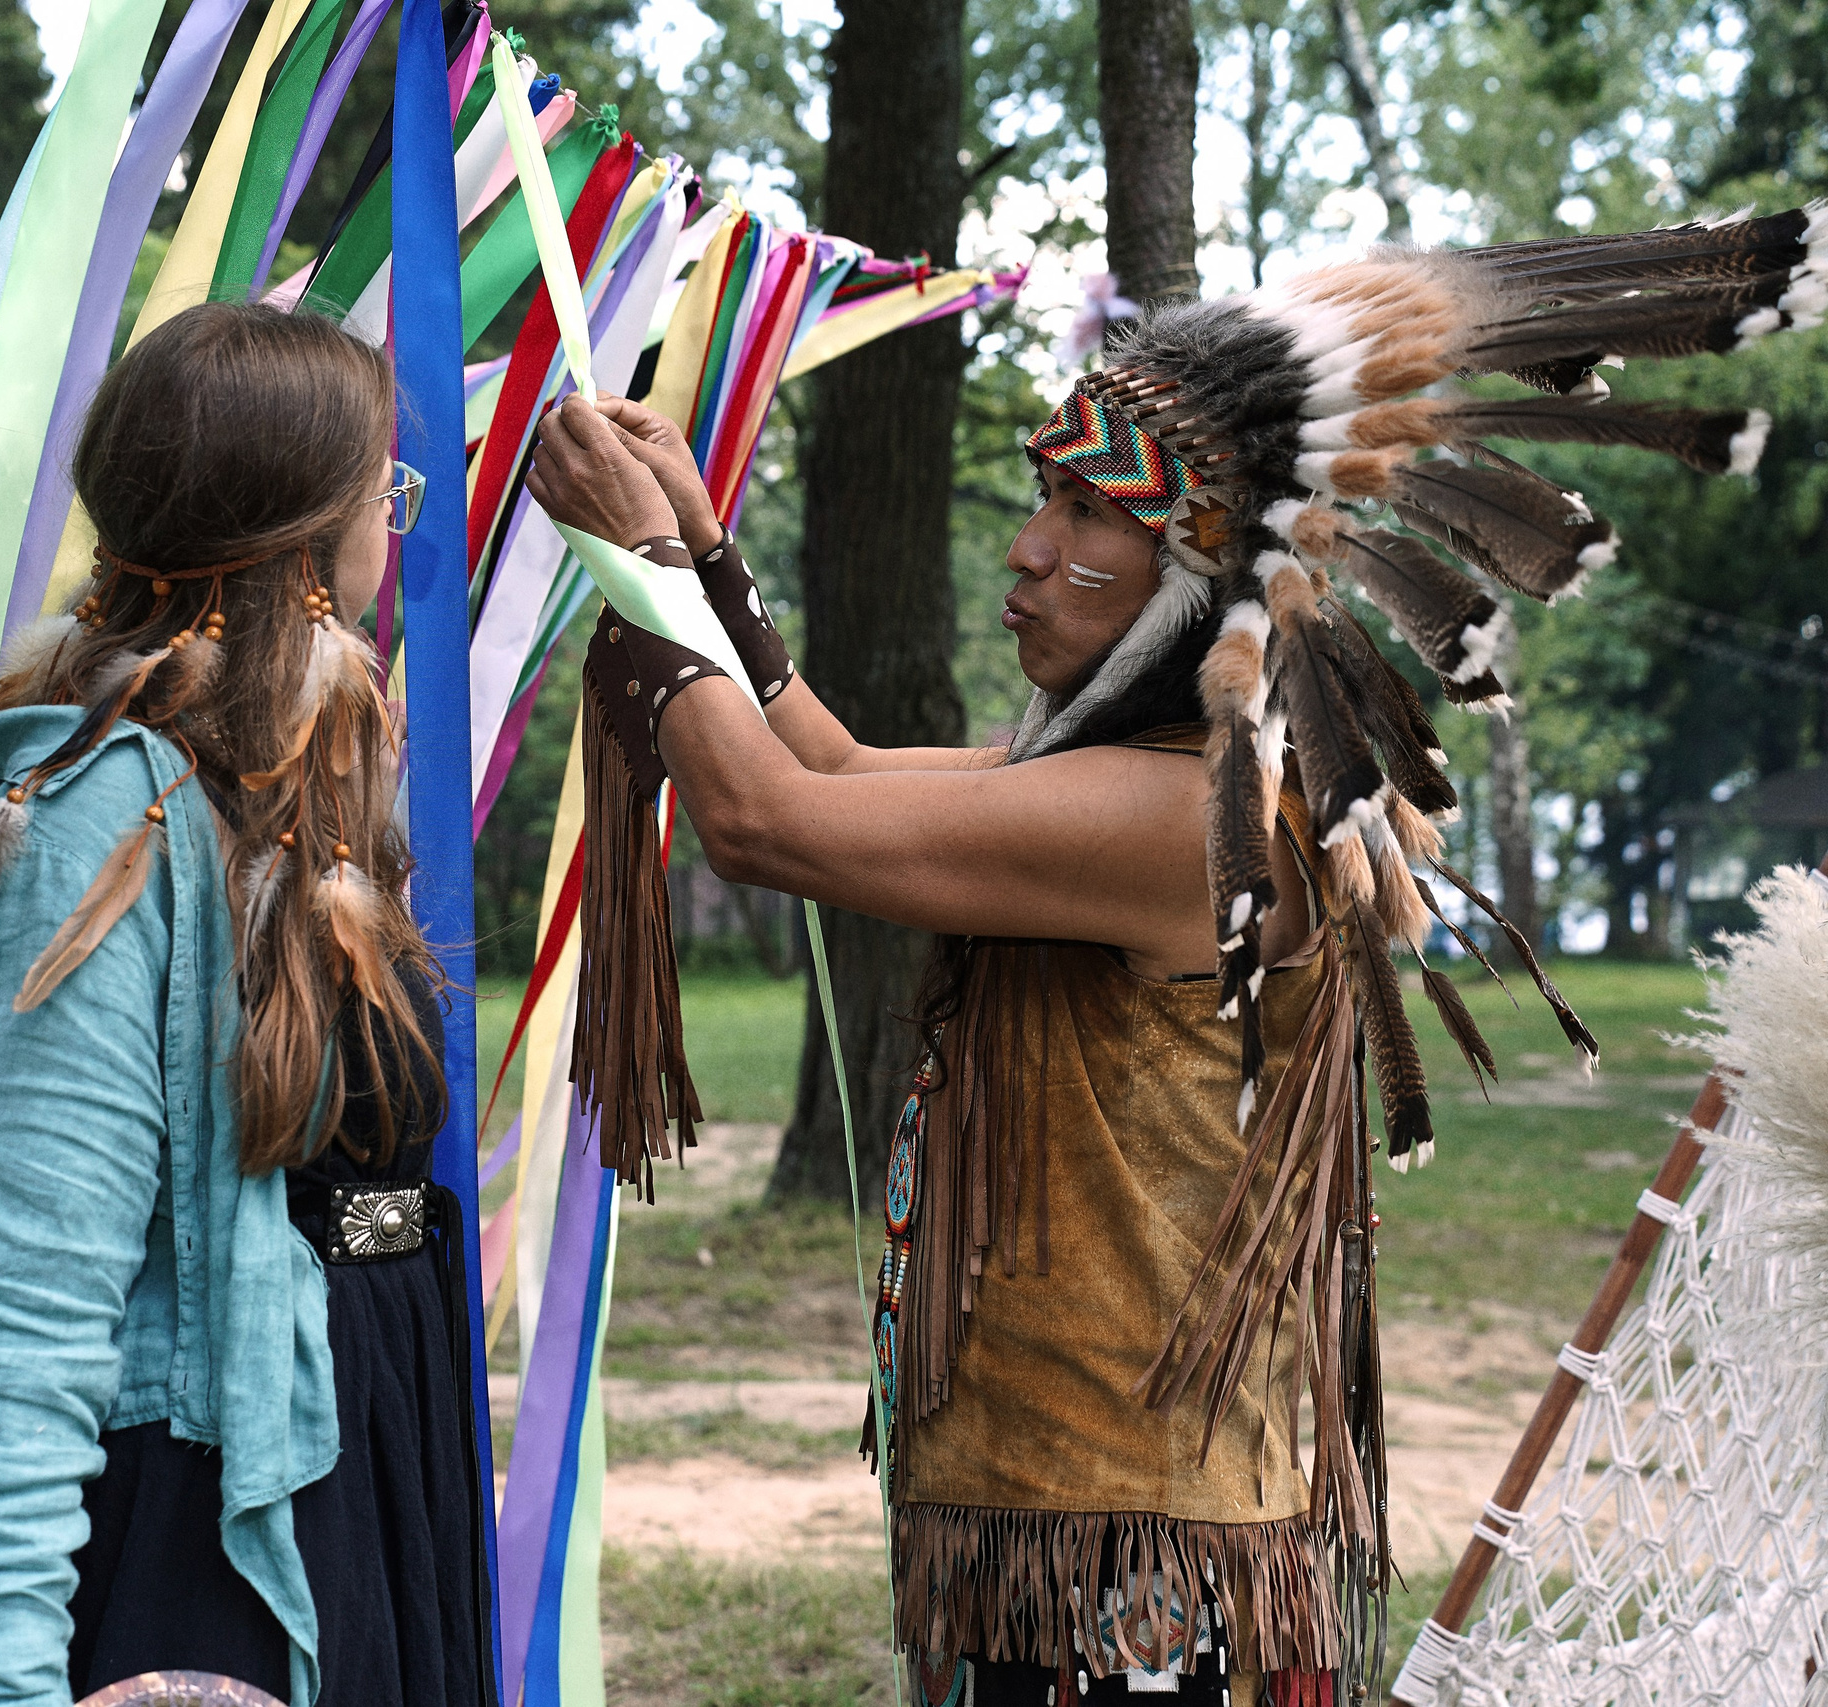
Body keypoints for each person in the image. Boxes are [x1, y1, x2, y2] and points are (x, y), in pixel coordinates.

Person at [527, 206, 1808, 1702]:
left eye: (1087, 513)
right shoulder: (1148, 777)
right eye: (1041, 496)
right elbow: (841, 763)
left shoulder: (1189, 815)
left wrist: (636, 569)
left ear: (1198, 573)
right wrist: (700, 551)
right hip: (1082, 1511)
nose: (1027, 547)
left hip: (1138, 1558)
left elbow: (768, 818)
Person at [0, 303, 488, 1707]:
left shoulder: (284, 798)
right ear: (307, 533)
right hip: (213, 1521)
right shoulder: (101, 823)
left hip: (368, 1459)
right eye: (382, 491)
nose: (393, 526)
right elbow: (8, 1328)